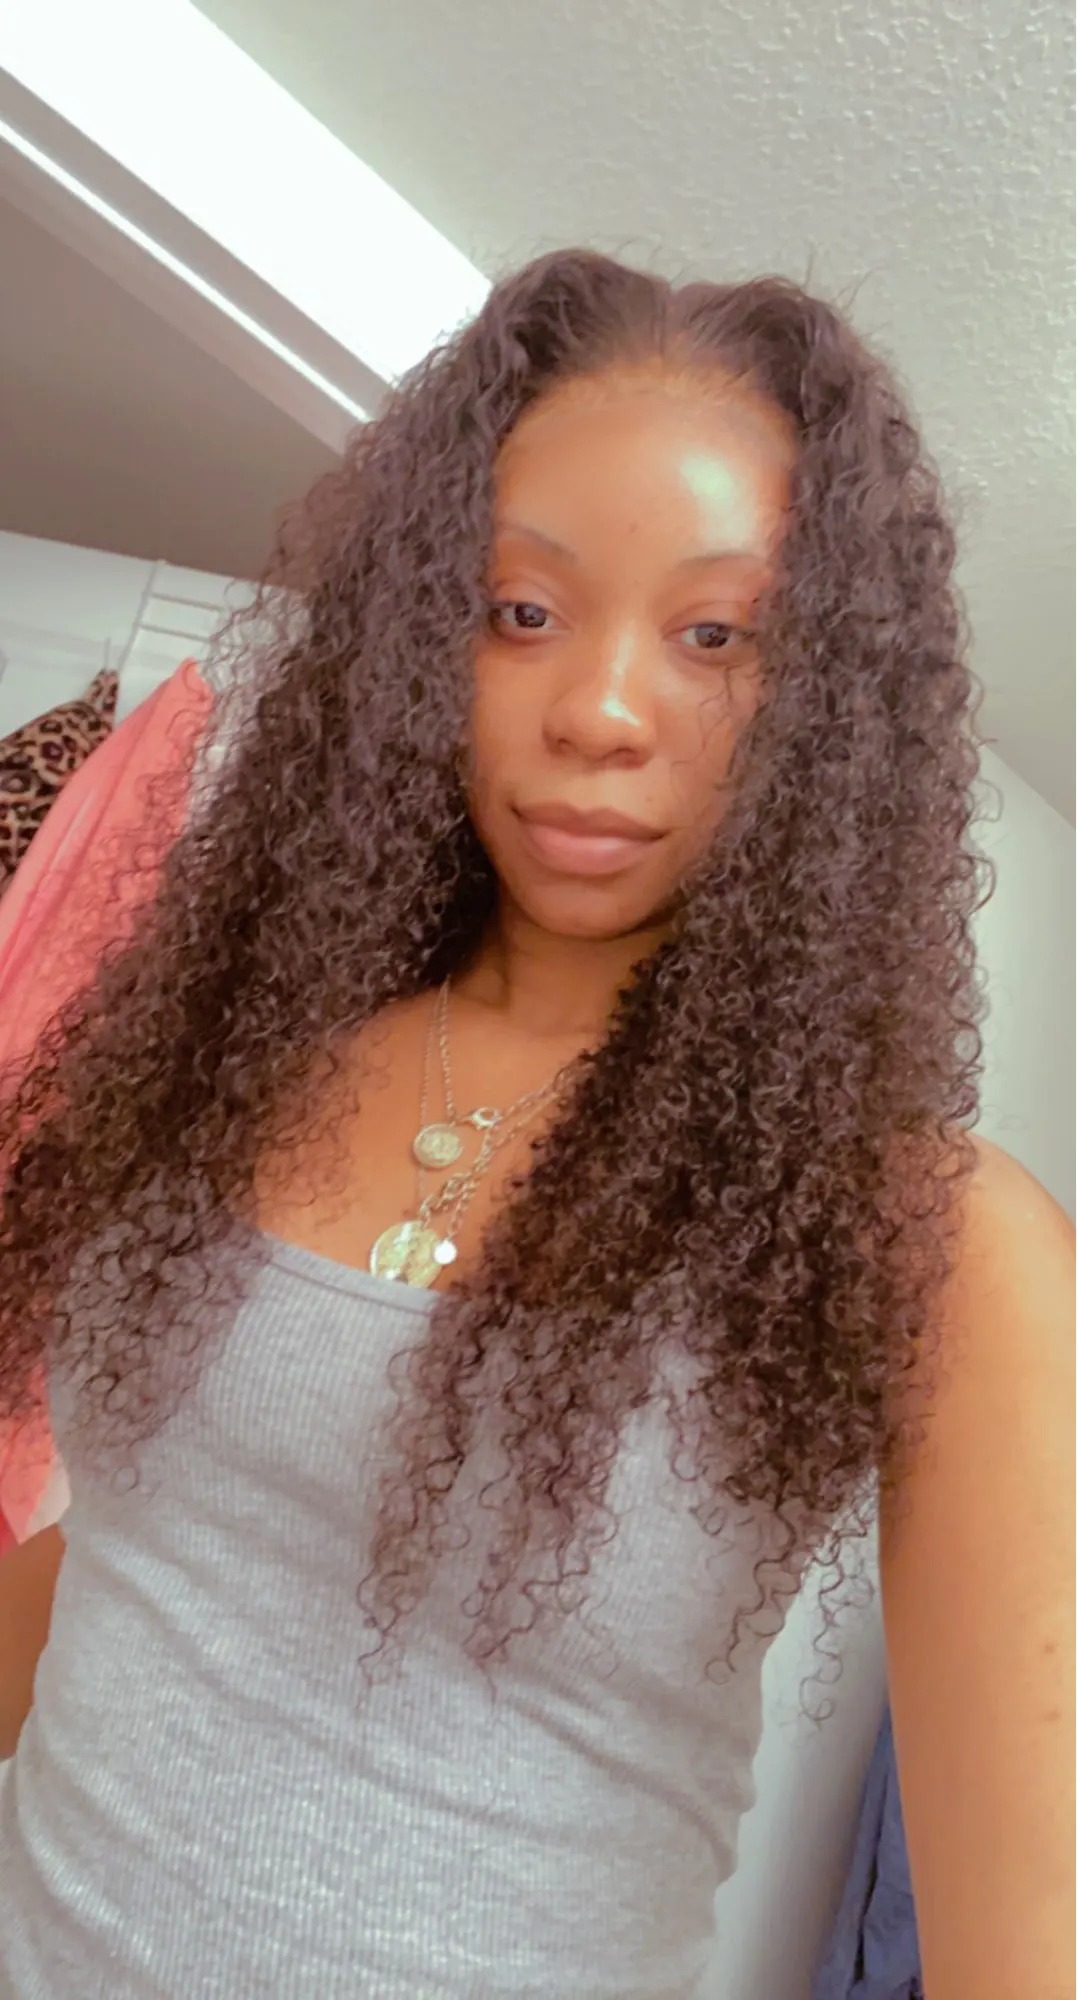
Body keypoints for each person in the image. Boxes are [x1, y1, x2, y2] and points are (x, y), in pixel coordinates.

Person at [0, 249, 1071, 2000]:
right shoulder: (229, 1058)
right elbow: (155, 1554)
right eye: (521, 609)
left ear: (832, 707)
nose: (599, 712)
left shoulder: (933, 1244)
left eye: (717, 635)